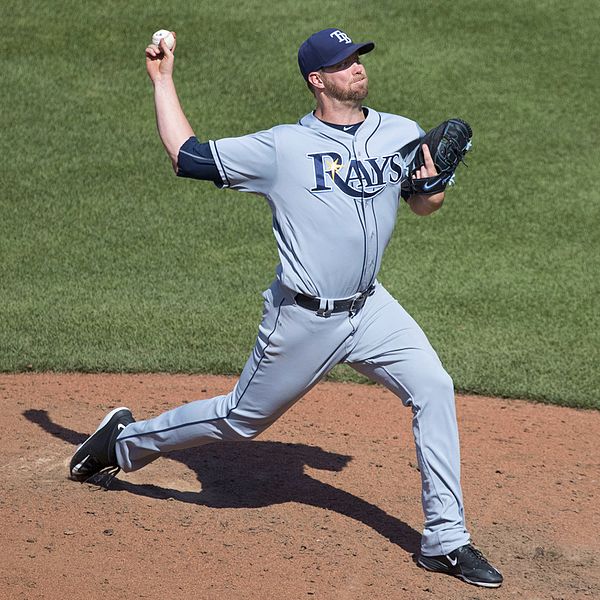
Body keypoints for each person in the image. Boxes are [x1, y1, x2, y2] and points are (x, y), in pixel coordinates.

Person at [70, 28, 503, 588]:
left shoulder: (399, 132)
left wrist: (433, 185)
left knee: (434, 388)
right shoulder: (281, 148)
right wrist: (162, 80)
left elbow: (423, 205)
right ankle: (122, 442)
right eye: (343, 63)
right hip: (304, 319)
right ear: (316, 80)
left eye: (358, 58)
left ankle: (446, 540)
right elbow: (187, 157)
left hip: (372, 308)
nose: (357, 68)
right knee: (238, 421)